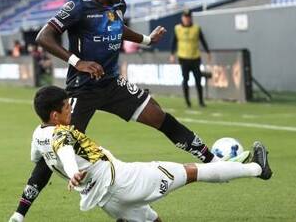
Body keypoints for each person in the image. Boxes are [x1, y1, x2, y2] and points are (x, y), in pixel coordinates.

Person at [8, 0, 229, 221]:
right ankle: (20, 213)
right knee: (61, 144)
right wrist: (79, 63)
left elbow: (115, 27)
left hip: (112, 83)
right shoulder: (77, 7)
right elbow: (44, 37)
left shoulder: (118, 4)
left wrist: (145, 40)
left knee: (158, 115)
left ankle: (213, 162)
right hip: (82, 90)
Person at [24, 86, 272, 221]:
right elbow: (64, 151)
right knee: (194, 171)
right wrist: (73, 171)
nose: (71, 111)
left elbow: (39, 158)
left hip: (107, 202)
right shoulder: (60, 134)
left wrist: (70, 170)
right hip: (125, 181)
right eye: (68, 108)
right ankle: (258, 169)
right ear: (55, 116)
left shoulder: (38, 134)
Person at [169, 10, 210, 108]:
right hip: (183, 58)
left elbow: (202, 40)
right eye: (185, 17)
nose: (186, 19)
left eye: (188, 17)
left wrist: (208, 52)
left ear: (190, 18)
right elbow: (173, 42)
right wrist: (172, 54)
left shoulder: (196, 28)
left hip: (195, 57)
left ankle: (201, 101)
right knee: (185, 79)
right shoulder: (177, 28)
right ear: (182, 18)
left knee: (198, 80)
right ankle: (187, 101)